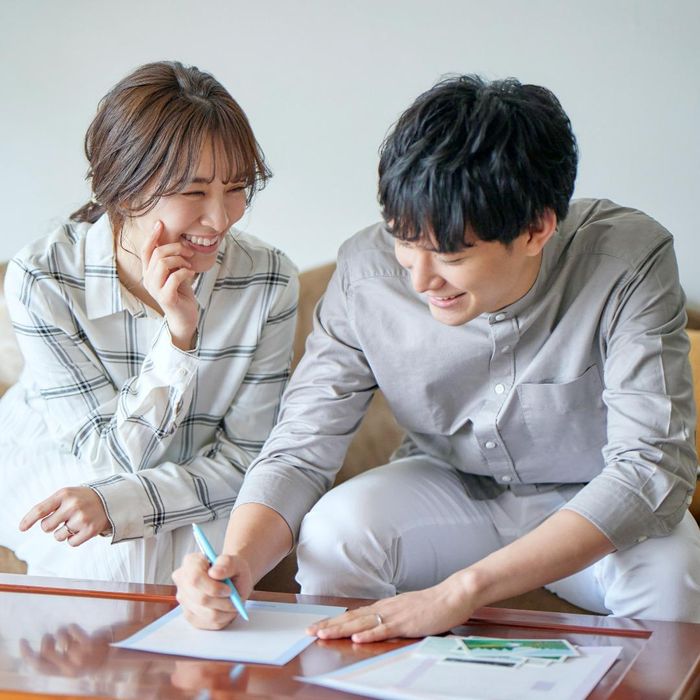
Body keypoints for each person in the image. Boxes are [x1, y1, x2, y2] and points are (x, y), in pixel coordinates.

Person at [173, 75, 700, 637]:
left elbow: (650, 466)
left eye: (450, 254)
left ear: (536, 229)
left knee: (673, 578)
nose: (421, 280)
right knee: (334, 533)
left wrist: (461, 592)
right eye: (404, 242)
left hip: (593, 496)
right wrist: (237, 563)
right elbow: (301, 448)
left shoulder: (626, 261)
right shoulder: (364, 276)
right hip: (450, 486)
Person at [0, 61, 298, 584]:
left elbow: (248, 459)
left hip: (199, 479)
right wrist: (178, 341)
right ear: (125, 189)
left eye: (236, 187)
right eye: (194, 191)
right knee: (127, 556)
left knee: (205, 559)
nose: (220, 218)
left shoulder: (268, 279)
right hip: (66, 465)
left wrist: (126, 504)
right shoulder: (43, 277)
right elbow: (105, 460)